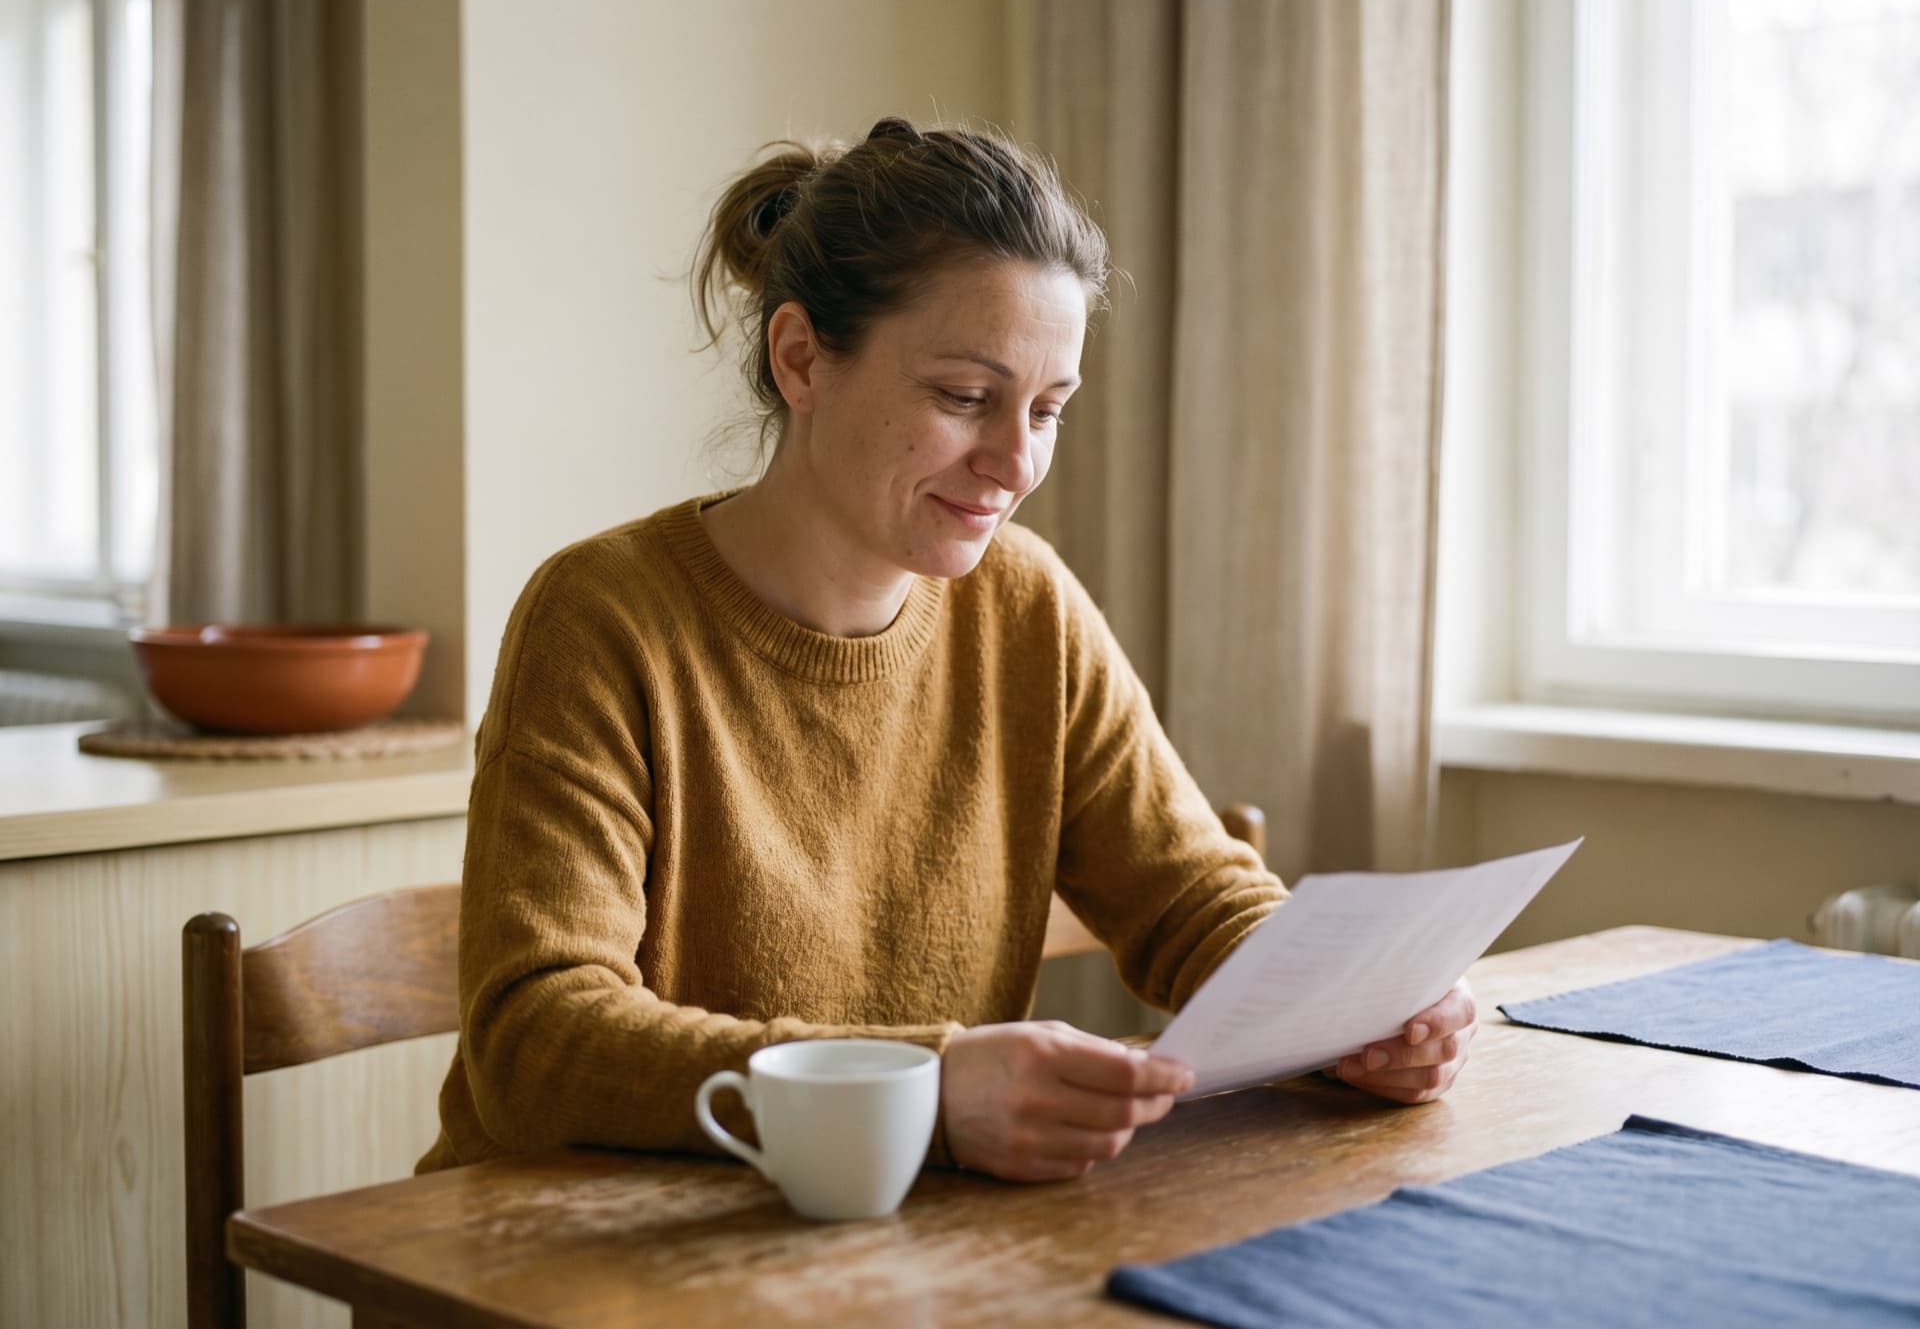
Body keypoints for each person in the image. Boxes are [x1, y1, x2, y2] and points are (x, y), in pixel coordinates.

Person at [418, 116, 1475, 1184]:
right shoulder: (602, 617)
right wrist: (927, 1082)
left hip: (884, 1242)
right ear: (802, 359)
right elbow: (536, 1040)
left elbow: (1193, 897)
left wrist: (1357, 1003)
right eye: (965, 397)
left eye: (1048, 408)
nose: (1014, 462)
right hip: (576, 1255)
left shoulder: (1028, 606)